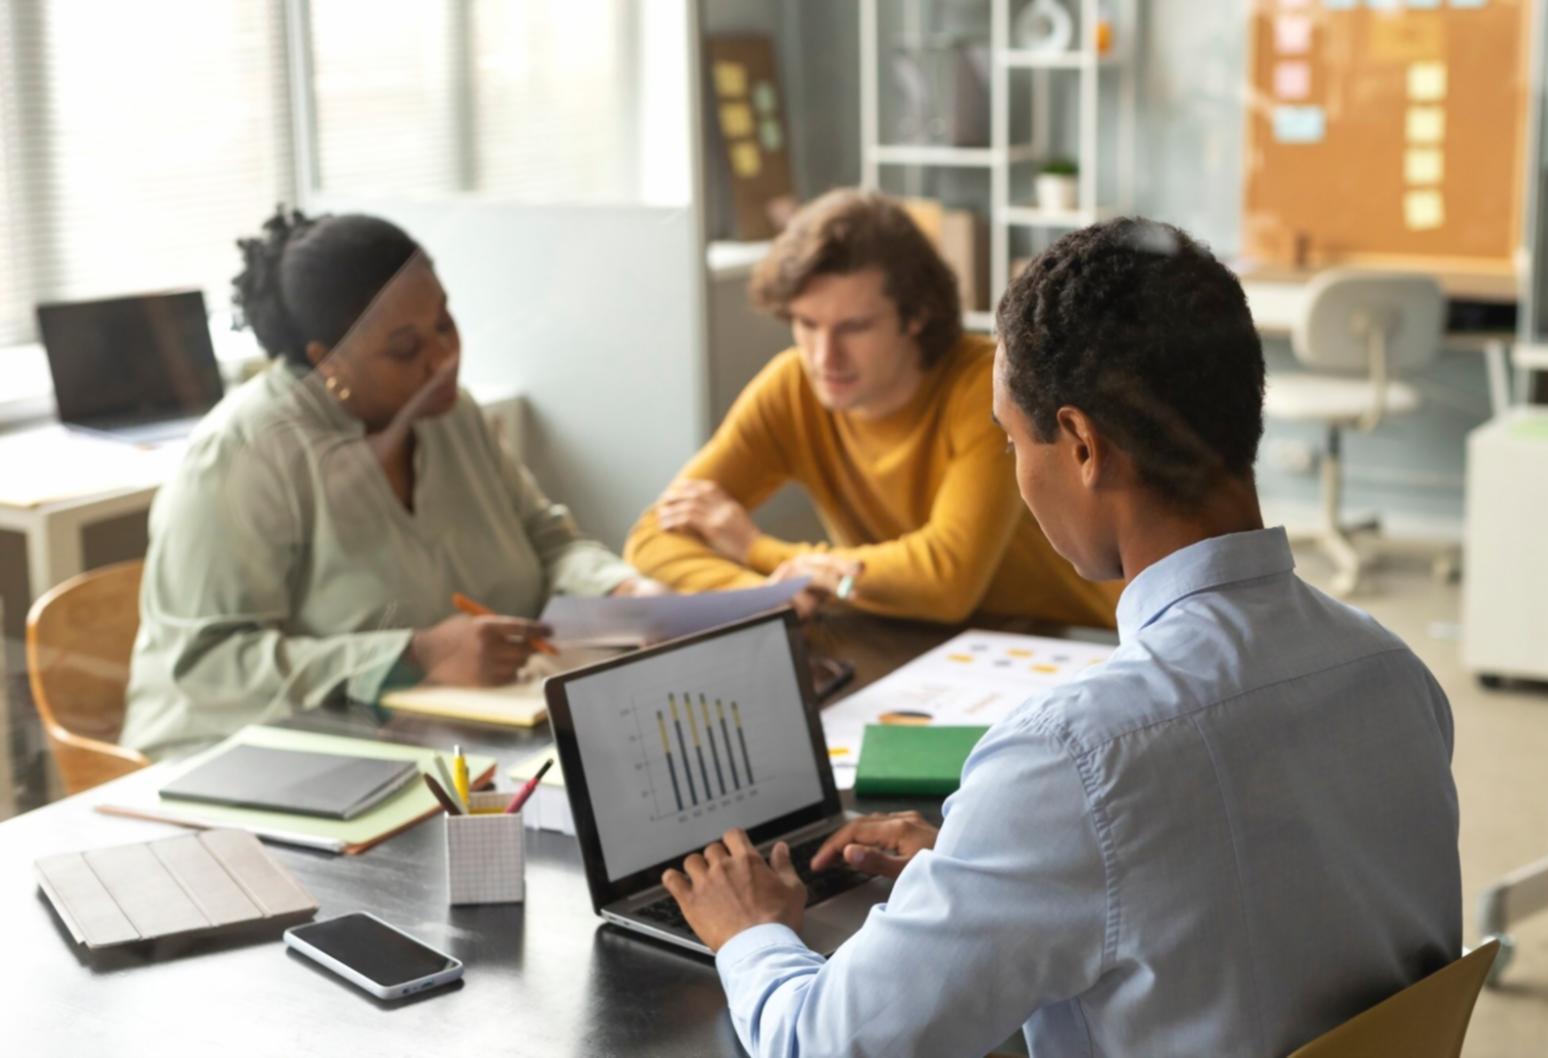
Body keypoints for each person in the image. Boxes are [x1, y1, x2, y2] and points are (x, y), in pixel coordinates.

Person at [658, 218, 1462, 1057]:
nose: (1016, 467)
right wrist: (995, 875)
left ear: (1081, 445)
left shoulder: (1073, 759)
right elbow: (1272, 886)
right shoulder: (1394, 672)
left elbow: (822, 1046)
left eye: (1013, 440)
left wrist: (750, 932)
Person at [122, 208, 660, 759]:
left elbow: (547, 543)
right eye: (405, 350)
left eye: (445, 324)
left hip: (451, 745)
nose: (444, 359)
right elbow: (206, 666)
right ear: (326, 361)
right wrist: (415, 654)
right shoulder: (243, 456)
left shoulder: (453, 415)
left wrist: (623, 593)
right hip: (252, 758)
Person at [623, 188, 1120, 626]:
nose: (824, 357)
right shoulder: (791, 387)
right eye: (807, 324)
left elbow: (947, 580)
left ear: (918, 316)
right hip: (915, 643)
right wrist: (761, 596)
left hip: (1069, 640)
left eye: (854, 327)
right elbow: (651, 538)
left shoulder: (985, 387)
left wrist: (756, 549)